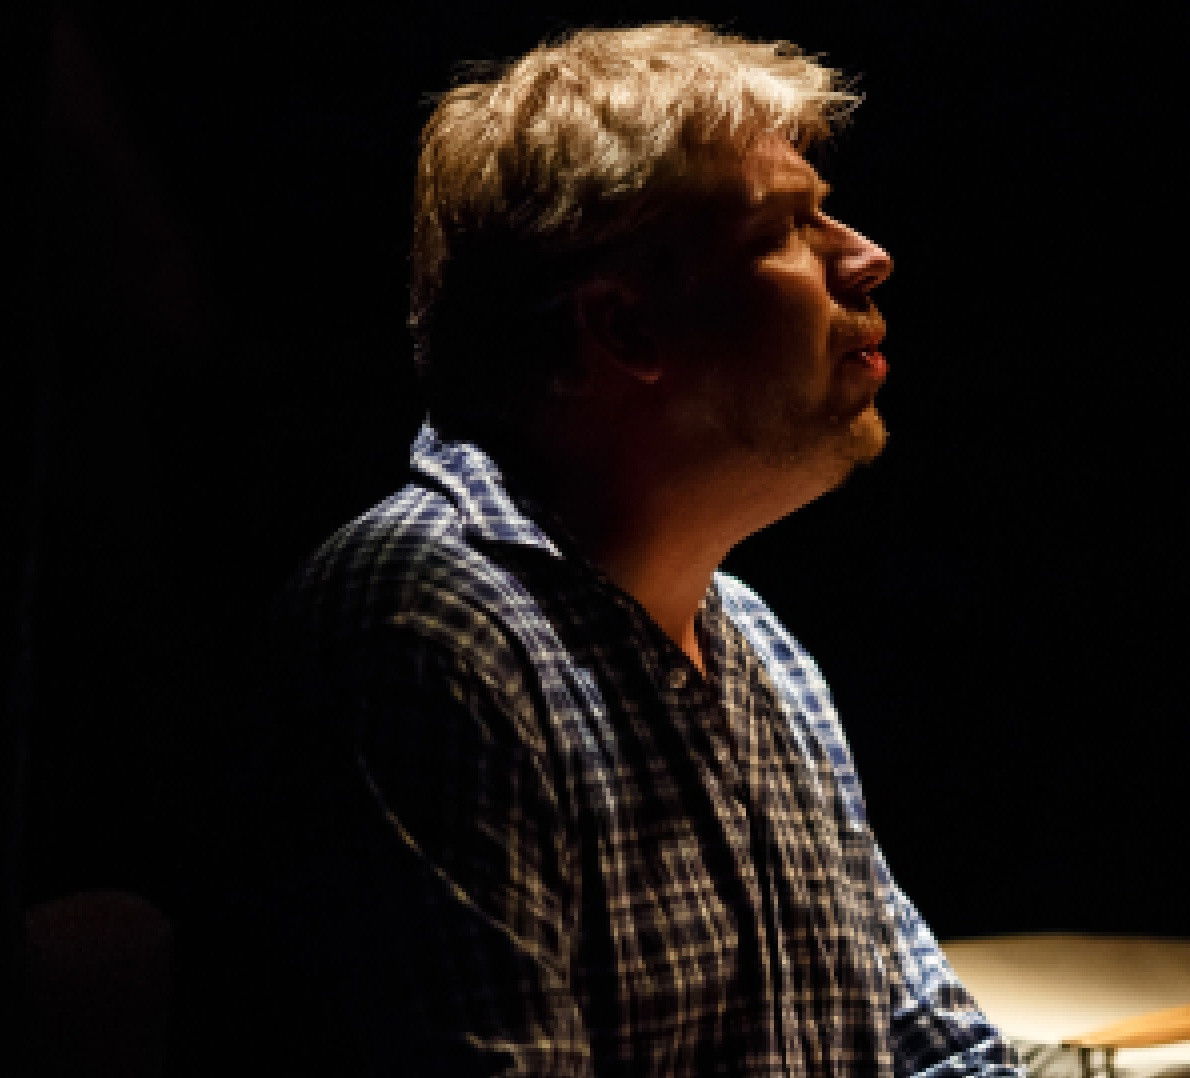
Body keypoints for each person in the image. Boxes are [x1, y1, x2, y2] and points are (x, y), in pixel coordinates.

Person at [232, 21, 1024, 1077]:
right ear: (624, 329)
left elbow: (932, 1050)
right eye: (790, 226)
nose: (866, 257)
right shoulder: (423, 634)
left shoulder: (762, 651)